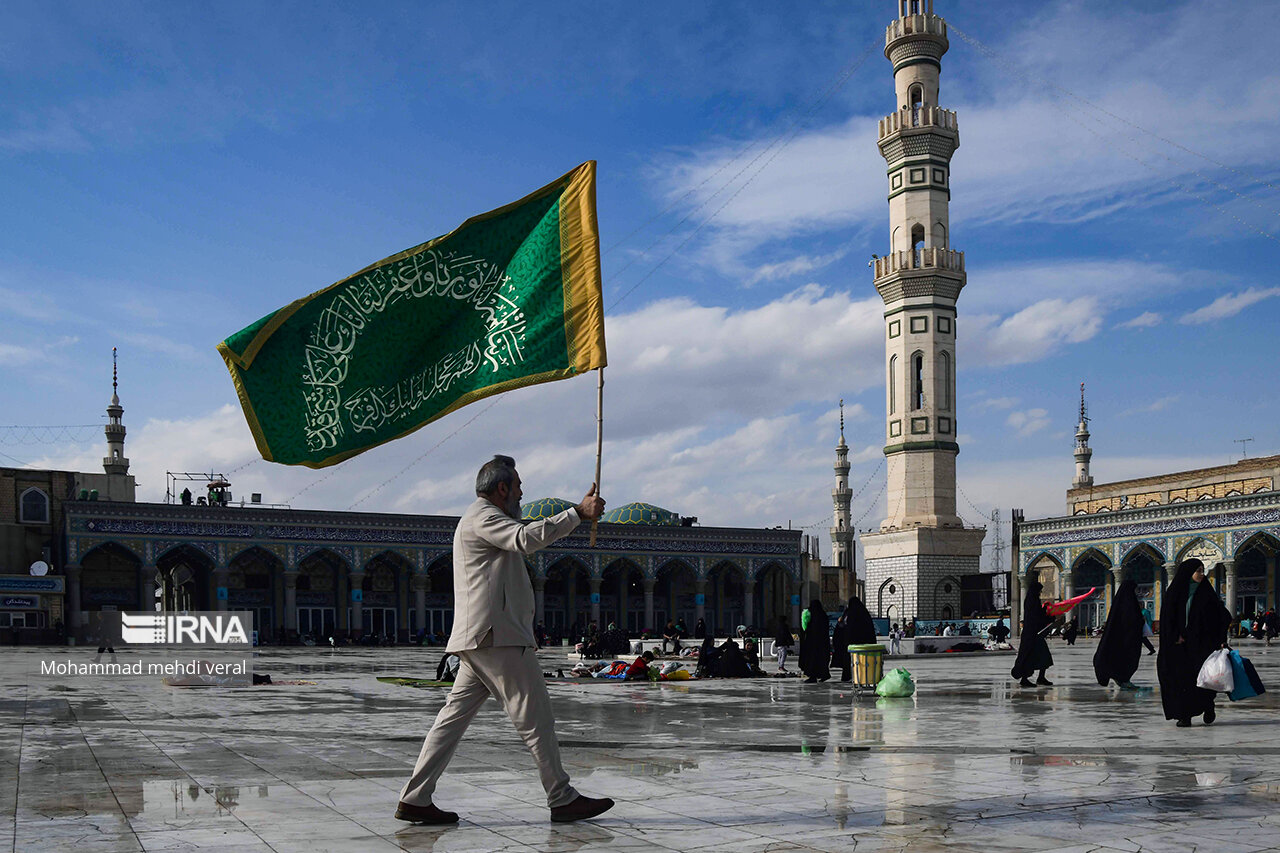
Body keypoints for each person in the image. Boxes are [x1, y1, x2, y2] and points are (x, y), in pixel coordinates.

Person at [397, 455, 613, 825]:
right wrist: (576, 513)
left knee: (450, 722)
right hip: (496, 637)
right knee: (536, 718)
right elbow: (524, 539)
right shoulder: (484, 516)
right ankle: (561, 797)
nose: (521, 493)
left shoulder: (482, 518)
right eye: (517, 486)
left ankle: (415, 798)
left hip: (481, 638)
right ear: (502, 489)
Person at [1157, 559, 1230, 728]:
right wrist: (1175, 635)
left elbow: (1222, 617)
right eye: (1198, 570)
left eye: (1203, 570)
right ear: (1188, 572)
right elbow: (1168, 618)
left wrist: (1220, 639)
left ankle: (1207, 706)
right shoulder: (1175, 593)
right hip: (1180, 646)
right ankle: (1184, 715)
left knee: (1203, 679)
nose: (1202, 574)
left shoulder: (1207, 593)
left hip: (1202, 645)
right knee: (1181, 680)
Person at [1093, 579, 1145, 689]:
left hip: (1122, 638)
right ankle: (1123, 679)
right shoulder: (1129, 602)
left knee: (1121, 658)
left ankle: (1121, 678)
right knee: (1128, 658)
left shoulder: (1119, 603)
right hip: (1127, 638)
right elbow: (1131, 620)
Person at [1011, 579, 1054, 687]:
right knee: (1029, 656)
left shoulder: (1031, 599)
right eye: (1039, 591)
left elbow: (1037, 614)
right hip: (1032, 635)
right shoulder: (1033, 600)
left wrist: (1044, 612)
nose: (1040, 593)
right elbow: (1035, 617)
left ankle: (1041, 677)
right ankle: (1024, 679)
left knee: (1043, 656)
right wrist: (1048, 618)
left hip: (1033, 634)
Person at [830, 597, 876, 683]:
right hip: (864, 645)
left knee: (849, 660)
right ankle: (862, 676)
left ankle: (848, 676)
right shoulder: (864, 613)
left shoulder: (849, 613)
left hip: (850, 643)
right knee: (862, 661)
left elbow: (843, 627)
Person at [798, 599, 831, 683]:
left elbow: (807, 629)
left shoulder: (812, 616)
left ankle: (813, 676)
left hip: (812, 643)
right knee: (822, 659)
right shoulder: (823, 615)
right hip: (823, 642)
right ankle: (824, 674)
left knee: (812, 659)